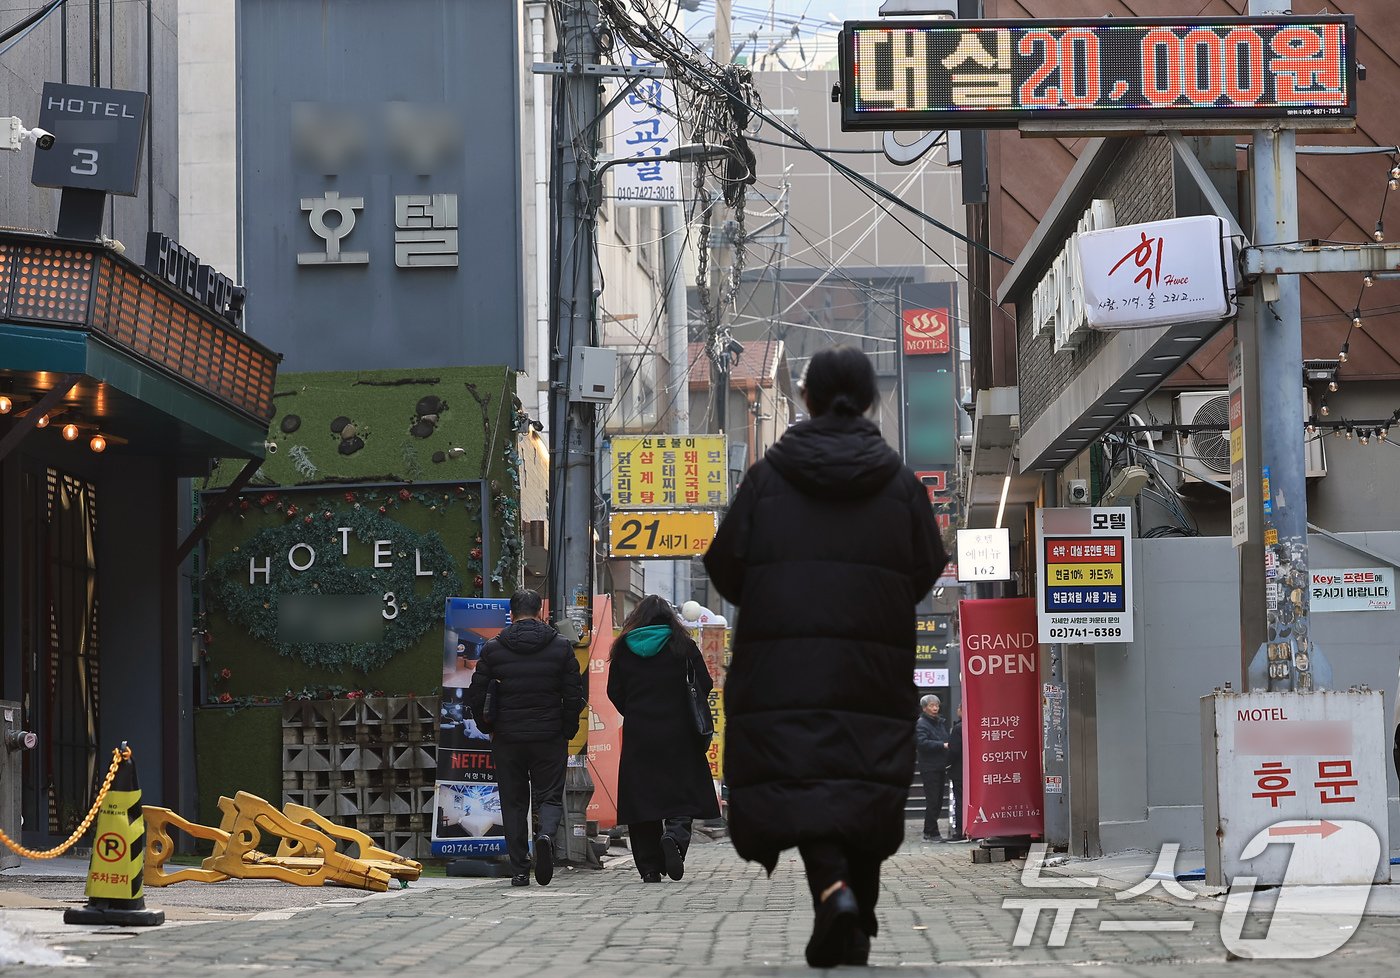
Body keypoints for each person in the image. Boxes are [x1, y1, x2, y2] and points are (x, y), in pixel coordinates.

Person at [704, 345, 948, 969]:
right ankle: (852, 907)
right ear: (869, 401)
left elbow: (725, 565)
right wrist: (880, 599)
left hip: (785, 670)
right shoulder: (898, 484)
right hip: (874, 663)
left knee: (807, 780)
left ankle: (835, 893)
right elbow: (927, 566)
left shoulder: (767, 480)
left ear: (806, 399)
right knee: (863, 782)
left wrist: (775, 595)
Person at [467, 588, 584, 888]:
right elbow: (574, 694)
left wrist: (487, 727)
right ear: (540, 611)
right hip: (549, 734)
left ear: (512, 613)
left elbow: (476, 694)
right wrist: (566, 728)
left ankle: (520, 870)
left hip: (508, 737)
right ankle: (545, 834)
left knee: (514, 802)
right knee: (549, 795)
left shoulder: (493, 649)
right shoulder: (560, 646)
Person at [606, 595, 721, 883]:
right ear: (670, 618)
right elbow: (704, 684)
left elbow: (614, 691)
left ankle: (649, 868)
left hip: (639, 734)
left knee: (642, 799)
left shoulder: (623, 648)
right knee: (682, 793)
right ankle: (674, 838)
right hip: (680, 732)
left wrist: (634, 711)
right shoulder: (683, 646)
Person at [916, 694, 950, 842]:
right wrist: (942, 745)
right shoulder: (921, 723)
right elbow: (921, 743)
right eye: (931, 705)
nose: (935, 708)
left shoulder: (939, 722)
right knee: (933, 800)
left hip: (940, 766)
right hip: (929, 767)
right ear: (924, 708)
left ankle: (931, 830)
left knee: (938, 800)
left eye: (936, 705)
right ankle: (930, 832)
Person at [946, 703, 966, 842]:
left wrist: (947, 764)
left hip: (959, 770)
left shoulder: (958, 728)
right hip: (973, 771)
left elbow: (953, 751)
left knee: (960, 801)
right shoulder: (976, 725)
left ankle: (960, 831)